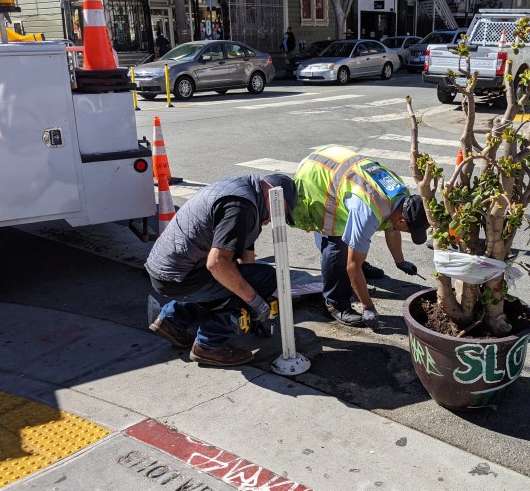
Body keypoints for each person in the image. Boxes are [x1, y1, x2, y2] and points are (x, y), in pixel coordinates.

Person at [145, 174, 298, 366]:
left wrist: (251, 303)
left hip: (170, 271)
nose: (271, 221)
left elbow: (245, 261)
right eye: (281, 213)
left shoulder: (245, 192)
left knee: (247, 281)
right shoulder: (241, 207)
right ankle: (209, 345)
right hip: (181, 277)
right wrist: (255, 301)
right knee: (264, 278)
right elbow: (218, 264)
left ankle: (172, 320)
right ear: (276, 196)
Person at [292, 146, 429, 329]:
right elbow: (352, 265)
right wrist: (368, 307)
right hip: (316, 177)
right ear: (402, 220)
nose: (406, 233)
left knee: (354, 249)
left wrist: (400, 262)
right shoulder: (368, 211)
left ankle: (357, 271)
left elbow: (392, 228)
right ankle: (335, 304)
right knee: (337, 246)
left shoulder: (401, 197)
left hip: (334, 161)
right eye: (409, 231)